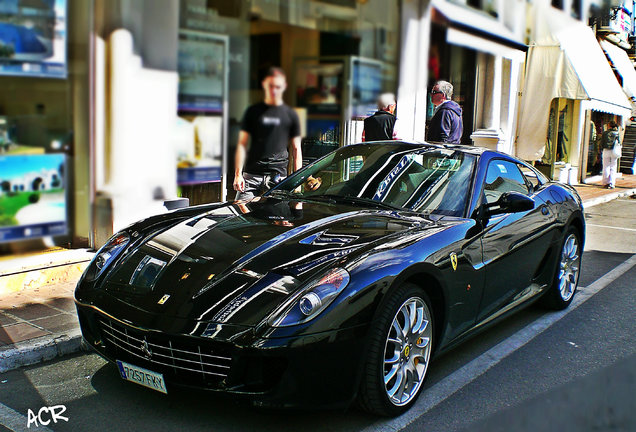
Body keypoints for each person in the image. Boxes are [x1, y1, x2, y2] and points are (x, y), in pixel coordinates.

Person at [233, 67, 302, 200]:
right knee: (240, 216)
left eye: (277, 86)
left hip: (278, 178)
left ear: (283, 87)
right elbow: (242, 144)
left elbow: (296, 149)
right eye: (270, 86)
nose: (274, 90)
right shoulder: (252, 112)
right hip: (251, 177)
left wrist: (296, 182)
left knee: (277, 217)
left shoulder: (291, 115)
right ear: (264, 85)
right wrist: (238, 174)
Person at [600, 121, 621, 189]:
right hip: (614, 151)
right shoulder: (617, 133)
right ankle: (612, 183)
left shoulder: (605, 133)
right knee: (613, 167)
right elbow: (619, 142)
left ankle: (605, 182)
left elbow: (602, 142)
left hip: (606, 150)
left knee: (606, 166)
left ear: (609, 126)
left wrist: (600, 149)